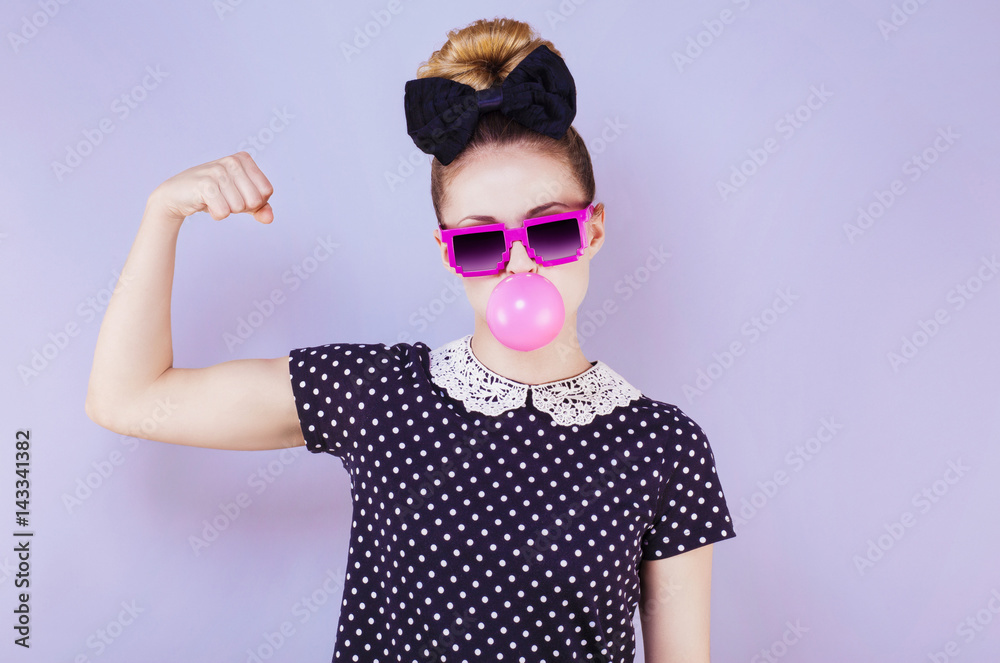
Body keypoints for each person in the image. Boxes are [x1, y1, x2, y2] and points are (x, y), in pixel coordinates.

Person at [85, 16, 735, 663]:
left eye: (550, 230)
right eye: (481, 240)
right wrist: (163, 212)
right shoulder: (380, 395)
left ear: (592, 230)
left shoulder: (665, 445)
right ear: (449, 253)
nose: (520, 263)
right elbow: (128, 398)